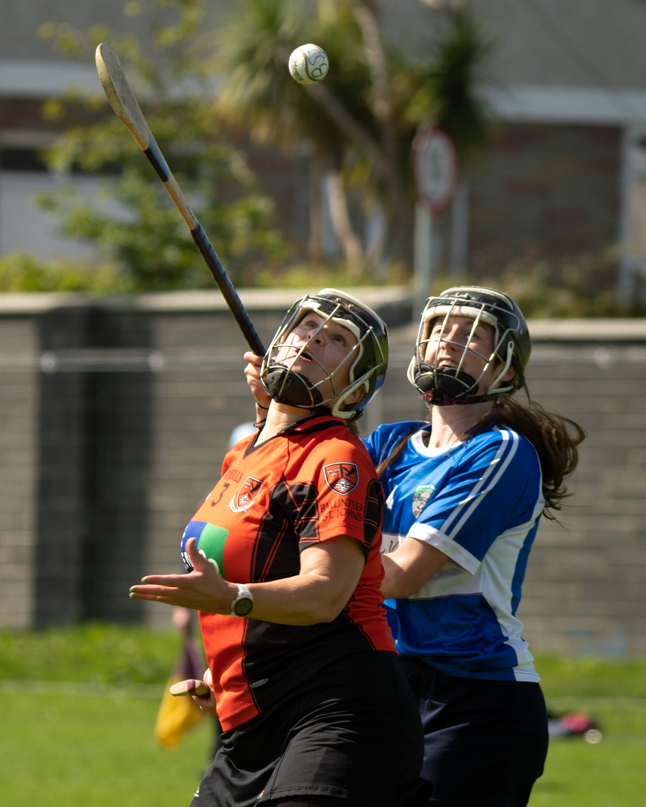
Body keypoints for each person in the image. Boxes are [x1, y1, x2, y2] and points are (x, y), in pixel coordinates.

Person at [244, 285, 585, 807]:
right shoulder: (387, 444)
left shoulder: (500, 453)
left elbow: (398, 575)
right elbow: (290, 518)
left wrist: (326, 557)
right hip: (386, 682)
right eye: (437, 330)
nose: (448, 341)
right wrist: (278, 416)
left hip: (474, 698)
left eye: (473, 335)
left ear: (507, 371)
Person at [130, 289, 425, 807]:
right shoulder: (243, 455)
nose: (313, 336)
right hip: (253, 714)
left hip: (338, 707)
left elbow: (325, 594)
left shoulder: (336, 459)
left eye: (337, 339)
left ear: (356, 387)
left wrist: (231, 597)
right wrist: (229, 673)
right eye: (305, 325)